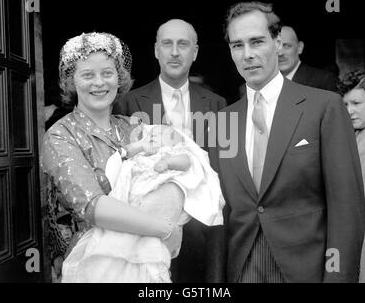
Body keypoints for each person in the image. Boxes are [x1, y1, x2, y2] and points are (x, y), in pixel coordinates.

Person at [207, 1, 365, 283]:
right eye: (237, 45)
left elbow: (346, 208)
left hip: (307, 270)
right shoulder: (222, 121)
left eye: (257, 42)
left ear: (277, 42)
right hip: (241, 269)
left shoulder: (323, 107)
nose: (248, 54)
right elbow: (220, 211)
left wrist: (338, 277)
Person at [41, 32, 185, 283]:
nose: (99, 82)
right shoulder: (61, 134)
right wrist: (165, 230)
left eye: (107, 73)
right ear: (71, 81)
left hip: (146, 260)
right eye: (88, 75)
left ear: (119, 78)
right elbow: (94, 207)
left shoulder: (134, 127)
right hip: (94, 263)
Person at [113, 19, 227, 282]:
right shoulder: (129, 103)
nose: (175, 52)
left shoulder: (217, 104)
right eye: (167, 44)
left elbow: (221, 169)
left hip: (202, 227)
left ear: (195, 52)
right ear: (156, 50)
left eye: (183, 44)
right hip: (147, 226)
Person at [61, 124, 224, 282]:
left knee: (141, 261)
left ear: (175, 141)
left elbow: (186, 161)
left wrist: (168, 163)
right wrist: (140, 146)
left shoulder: (173, 152)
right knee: (111, 260)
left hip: (152, 203)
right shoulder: (143, 155)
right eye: (152, 133)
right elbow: (124, 154)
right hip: (130, 205)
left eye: (161, 133)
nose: (153, 134)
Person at [339, 70, 365, 283]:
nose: (350, 111)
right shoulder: (359, 135)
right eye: (345, 105)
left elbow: (364, 200)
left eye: (356, 103)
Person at [278, 25, 338, 92]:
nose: (280, 53)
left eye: (286, 46)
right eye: (276, 47)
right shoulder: (266, 82)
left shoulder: (324, 81)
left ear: (300, 48)